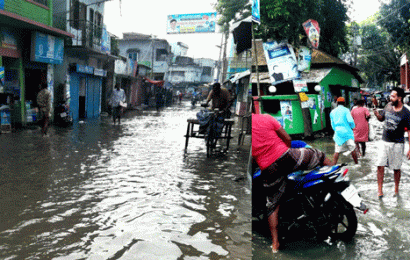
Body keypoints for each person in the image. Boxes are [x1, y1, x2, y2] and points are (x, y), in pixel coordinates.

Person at [252, 112, 333, 253]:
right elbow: (287, 138)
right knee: (319, 155)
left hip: (268, 168)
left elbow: (253, 160)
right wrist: (287, 152)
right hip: (286, 156)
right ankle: (333, 175)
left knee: (272, 205)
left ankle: (275, 244)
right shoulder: (266, 117)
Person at [373, 87, 410, 198]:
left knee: (396, 168)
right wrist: (377, 115)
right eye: (390, 95)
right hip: (384, 141)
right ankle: (380, 191)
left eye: (393, 96)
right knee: (380, 165)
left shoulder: (406, 112)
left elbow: (409, 130)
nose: (390, 98)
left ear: (400, 98)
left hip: (398, 143)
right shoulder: (388, 106)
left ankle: (396, 189)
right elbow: (382, 119)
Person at [330, 97, 358, 165]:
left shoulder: (332, 112)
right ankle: (357, 164)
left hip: (338, 133)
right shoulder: (346, 110)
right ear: (344, 103)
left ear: (337, 103)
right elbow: (350, 121)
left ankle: (333, 166)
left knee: (337, 151)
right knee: (352, 149)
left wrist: (336, 130)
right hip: (347, 133)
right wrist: (352, 127)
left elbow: (332, 124)